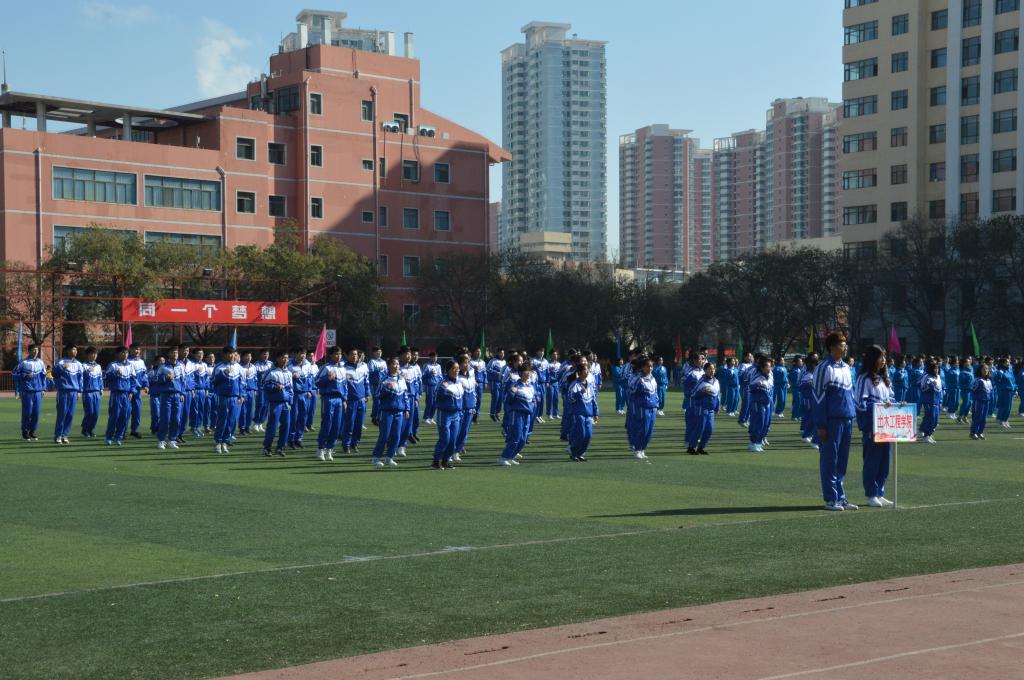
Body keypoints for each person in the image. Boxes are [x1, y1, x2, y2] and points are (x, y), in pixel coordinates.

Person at [812, 332, 858, 511]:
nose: (845, 347)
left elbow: (850, 394)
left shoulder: (847, 368)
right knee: (830, 460)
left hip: (847, 419)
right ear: (832, 347)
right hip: (831, 421)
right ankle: (831, 499)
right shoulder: (824, 368)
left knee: (842, 461)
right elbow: (818, 398)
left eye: (845, 344)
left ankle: (841, 497)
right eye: (841, 344)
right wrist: (821, 425)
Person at [855, 345, 896, 508]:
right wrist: (880, 405)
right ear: (872, 359)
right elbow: (860, 403)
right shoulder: (864, 379)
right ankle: (871, 494)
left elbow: (891, 398)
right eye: (880, 357)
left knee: (884, 461)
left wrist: (897, 404)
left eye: (884, 357)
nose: (883, 360)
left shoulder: (885, 379)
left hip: (886, 425)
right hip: (872, 426)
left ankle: (880, 492)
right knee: (872, 461)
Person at [370, 357, 410, 466]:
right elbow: (377, 394)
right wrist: (387, 389)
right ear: (389, 366)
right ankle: (376, 458)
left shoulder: (401, 379)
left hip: (399, 411)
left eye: (398, 364)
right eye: (394, 364)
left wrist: (407, 409)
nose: (396, 366)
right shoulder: (384, 379)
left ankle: (389, 457)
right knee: (384, 435)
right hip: (387, 411)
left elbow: (405, 395)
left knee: (396, 436)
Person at [315, 346, 348, 462]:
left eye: (340, 354)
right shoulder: (326, 367)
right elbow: (316, 381)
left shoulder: (343, 368)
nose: (338, 356)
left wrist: (344, 400)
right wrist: (327, 378)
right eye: (336, 354)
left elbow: (345, 386)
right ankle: (320, 449)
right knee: (327, 424)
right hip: (328, 398)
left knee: (336, 425)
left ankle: (330, 449)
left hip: (339, 399)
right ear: (331, 355)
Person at [499, 363, 535, 466]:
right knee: (516, 437)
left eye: (529, 371)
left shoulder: (530, 386)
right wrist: (512, 392)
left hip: (527, 414)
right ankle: (504, 457)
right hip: (517, 414)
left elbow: (532, 400)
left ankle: (511, 456)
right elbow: (507, 400)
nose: (528, 373)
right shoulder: (515, 386)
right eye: (526, 371)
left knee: (523, 439)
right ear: (520, 374)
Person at [432, 360, 464, 470]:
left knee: (453, 440)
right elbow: (436, 396)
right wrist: (443, 402)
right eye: (454, 368)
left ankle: (445, 461)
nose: (457, 370)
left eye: (458, 368)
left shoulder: (459, 382)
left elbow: (461, 397)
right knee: (445, 438)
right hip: (445, 414)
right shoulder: (443, 383)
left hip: (456, 414)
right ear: (448, 370)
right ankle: (436, 461)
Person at [565, 357, 599, 462]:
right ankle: (574, 452)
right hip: (578, 414)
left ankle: (580, 453)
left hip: (588, 414)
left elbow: (593, 399)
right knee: (581, 434)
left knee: (588, 435)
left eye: (587, 370)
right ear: (579, 372)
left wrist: (595, 412)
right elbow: (570, 398)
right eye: (585, 370)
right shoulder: (574, 385)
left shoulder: (589, 385)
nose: (587, 372)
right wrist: (579, 393)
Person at [260, 350, 293, 457]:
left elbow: (290, 389)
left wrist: (290, 402)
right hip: (274, 403)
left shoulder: (288, 373)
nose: (285, 360)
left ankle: (280, 447)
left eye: (287, 358)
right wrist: (275, 387)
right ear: (278, 359)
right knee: (272, 426)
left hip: (285, 404)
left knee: (286, 426)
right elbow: (263, 385)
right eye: (283, 357)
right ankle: (267, 448)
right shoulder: (271, 372)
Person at [212, 347, 244, 454]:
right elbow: (213, 381)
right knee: (222, 419)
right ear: (225, 354)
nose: (232, 356)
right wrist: (223, 374)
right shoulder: (218, 367)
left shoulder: (239, 367)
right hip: (222, 397)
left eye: (233, 354)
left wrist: (242, 395)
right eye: (230, 353)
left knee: (232, 420)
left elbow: (242, 383)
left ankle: (225, 442)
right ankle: (218, 442)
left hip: (234, 397)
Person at [13, 343, 47, 441]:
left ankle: (32, 431)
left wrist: (43, 388)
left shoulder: (41, 362)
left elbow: (43, 376)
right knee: (27, 412)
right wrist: (25, 376)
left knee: (36, 413)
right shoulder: (24, 362)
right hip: (27, 391)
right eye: (33, 349)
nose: (36, 351)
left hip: (38, 391)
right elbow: (14, 373)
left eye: (37, 349)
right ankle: (25, 431)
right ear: (29, 351)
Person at [104, 346, 137, 446]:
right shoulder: (113, 365)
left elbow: (133, 380)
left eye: (126, 352)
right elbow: (106, 378)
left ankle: (119, 437)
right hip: (116, 393)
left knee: (125, 416)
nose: (125, 354)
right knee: (114, 416)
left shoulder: (130, 365)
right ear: (118, 354)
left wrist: (132, 392)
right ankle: (109, 437)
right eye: (123, 352)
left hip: (126, 394)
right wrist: (115, 374)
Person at [51, 344, 83, 444]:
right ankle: (58, 435)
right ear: (68, 351)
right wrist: (62, 368)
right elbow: (53, 373)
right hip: (63, 391)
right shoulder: (61, 362)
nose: (75, 351)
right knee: (62, 414)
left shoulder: (79, 364)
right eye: (73, 349)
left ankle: (65, 435)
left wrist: (79, 391)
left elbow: (80, 379)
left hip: (74, 392)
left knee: (70, 414)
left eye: (76, 350)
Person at [627, 357, 658, 461]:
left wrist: (656, 404)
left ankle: (643, 449)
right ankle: (637, 449)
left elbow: (655, 392)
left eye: (651, 366)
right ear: (642, 367)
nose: (650, 368)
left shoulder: (653, 378)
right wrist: (638, 403)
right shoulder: (639, 379)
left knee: (650, 431)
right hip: (642, 408)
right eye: (647, 366)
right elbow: (631, 392)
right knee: (643, 429)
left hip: (652, 407)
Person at [341, 347, 370, 454]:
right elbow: (342, 385)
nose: (354, 356)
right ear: (347, 356)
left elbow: (366, 381)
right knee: (349, 424)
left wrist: (367, 394)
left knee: (359, 424)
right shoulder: (343, 368)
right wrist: (344, 399)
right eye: (352, 354)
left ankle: (355, 444)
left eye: (356, 354)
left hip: (361, 400)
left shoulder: (363, 367)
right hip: (350, 400)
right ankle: (346, 444)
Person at [156, 347, 185, 450]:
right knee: (165, 419)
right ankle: (161, 440)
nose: (175, 354)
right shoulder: (163, 367)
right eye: (173, 352)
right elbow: (156, 379)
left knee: (176, 419)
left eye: (176, 352)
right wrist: (165, 378)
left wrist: (182, 393)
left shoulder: (181, 366)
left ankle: (172, 440)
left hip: (177, 395)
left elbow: (183, 381)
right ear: (168, 354)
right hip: (166, 394)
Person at [689, 362, 720, 455]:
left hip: (711, 409)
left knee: (709, 430)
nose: (712, 370)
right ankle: (691, 447)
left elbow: (717, 395)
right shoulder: (702, 381)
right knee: (700, 428)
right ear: (705, 370)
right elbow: (693, 394)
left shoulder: (716, 381)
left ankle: (701, 447)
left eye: (713, 369)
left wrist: (717, 407)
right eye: (709, 369)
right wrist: (702, 391)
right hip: (701, 408)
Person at [454, 353, 478, 461]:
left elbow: (473, 392)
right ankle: (450, 451)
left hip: (469, 409)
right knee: (456, 431)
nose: (467, 365)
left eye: (468, 362)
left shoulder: (471, 377)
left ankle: (457, 451)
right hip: (459, 409)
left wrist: (473, 406)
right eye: (464, 363)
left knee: (464, 432)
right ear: (459, 365)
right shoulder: (457, 378)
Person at [747, 356, 774, 453]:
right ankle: (753, 443)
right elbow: (750, 387)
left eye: (770, 366)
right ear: (762, 368)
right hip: (758, 403)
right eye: (767, 367)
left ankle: (758, 443)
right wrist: (757, 384)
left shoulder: (769, 377)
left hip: (767, 404)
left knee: (765, 424)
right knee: (759, 423)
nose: (769, 368)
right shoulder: (758, 377)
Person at [80, 347, 104, 439]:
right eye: (92, 353)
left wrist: (101, 388)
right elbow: (80, 378)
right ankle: (85, 429)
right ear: (88, 355)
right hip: (87, 392)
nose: (94, 355)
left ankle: (90, 429)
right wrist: (87, 372)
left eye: (96, 354)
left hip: (96, 392)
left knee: (96, 413)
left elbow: (100, 378)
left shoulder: (98, 366)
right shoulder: (83, 366)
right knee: (89, 412)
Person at [126, 344, 149, 439]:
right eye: (135, 349)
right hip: (127, 390)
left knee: (137, 411)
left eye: (138, 349)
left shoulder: (141, 362)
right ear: (130, 350)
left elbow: (144, 375)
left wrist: (146, 385)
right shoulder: (126, 361)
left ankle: (134, 430)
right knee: (126, 411)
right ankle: (122, 430)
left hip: (137, 390)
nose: (137, 351)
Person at [918, 360, 943, 444]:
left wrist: (940, 400)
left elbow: (940, 389)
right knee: (930, 418)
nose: (936, 370)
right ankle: (926, 435)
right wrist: (931, 385)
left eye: (937, 368)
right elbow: (923, 387)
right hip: (929, 401)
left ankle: (929, 434)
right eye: (935, 368)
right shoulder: (927, 377)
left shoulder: (938, 377)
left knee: (936, 419)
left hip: (937, 401)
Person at [799, 354, 820, 449]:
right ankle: (807, 435)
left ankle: (808, 435)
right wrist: (808, 384)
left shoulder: (815, 374)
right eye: (815, 365)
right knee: (811, 418)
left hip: (815, 399)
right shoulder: (808, 375)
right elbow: (800, 387)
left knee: (813, 418)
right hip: (809, 400)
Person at [970, 364, 993, 440]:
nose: (986, 370)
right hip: (979, 401)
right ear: (980, 370)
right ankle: (973, 432)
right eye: (984, 369)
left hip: (986, 401)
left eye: (987, 369)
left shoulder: (989, 380)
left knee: (984, 418)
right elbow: (973, 390)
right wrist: (976, 398)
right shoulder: (978, 380)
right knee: (977, 417)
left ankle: (980, 432)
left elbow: (990, 391)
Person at [252, 349, 273, 433]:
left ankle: (261, 423)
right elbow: (254, 378)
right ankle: (256, 423)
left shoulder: (271, 364)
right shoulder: (256, 365)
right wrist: (255, 388)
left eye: (267, 354)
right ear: (260, 355)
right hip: (260, 388)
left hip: (268, 388)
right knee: (259, 405)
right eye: (264, 354)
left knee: (266, 406)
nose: (266, 356)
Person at [367, 346, 388, 426]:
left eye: (380, 352)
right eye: (377, 352)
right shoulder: (372, 361)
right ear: (374, 353)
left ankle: (379, 417)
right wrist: (378, 369)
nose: (379, 353)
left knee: (382, 401)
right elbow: (370, 372)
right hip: (375, 384)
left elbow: (386, 372)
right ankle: (374, 417)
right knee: (377, 401)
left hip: (383, 384)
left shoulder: (383, 362)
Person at [993, 357, 1016, 429]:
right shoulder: (1000, 371)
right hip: (1004, 391)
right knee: (1004, 407)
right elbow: (996, 380)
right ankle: (1001, 420)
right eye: (1007, 362)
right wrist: (1000, 374)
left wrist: (1015, 389)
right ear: (1002, 363)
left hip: (1010, 390)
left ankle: (1005, 420)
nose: (1008, 363)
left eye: (1009, 362)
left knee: (1009, 407)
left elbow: (1013, 380)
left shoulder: (1010, 370)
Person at [191, 349, 209, 437]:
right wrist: (192, 389)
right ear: (194, 355)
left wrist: (206, 389)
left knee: (202, 409)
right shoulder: (192, 365)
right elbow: (191, 378)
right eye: (198, 353)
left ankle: (198, 427)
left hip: (202, 390)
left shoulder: (205, 365)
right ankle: (193, 427)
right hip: (195, 390)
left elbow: (206, 378)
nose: (200, 355)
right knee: (195, 409)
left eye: (202, 353)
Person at [238, 351, 257, 435]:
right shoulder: (239, 367)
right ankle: (242, 428)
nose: (248, 358)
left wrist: (255, 390)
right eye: (246, 356)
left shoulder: (253, 367)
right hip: (243, 391)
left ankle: (247, 427)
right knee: (243, 411)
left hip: (251, 391)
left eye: (250, 356)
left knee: (251, 410)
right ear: (242, 357)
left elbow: (255, 379)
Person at [421, 351, 442, 424]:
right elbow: (422, 376)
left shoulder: (438, 366)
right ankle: (425, 418)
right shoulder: (426, 365)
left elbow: (440, 376)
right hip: (429, 386)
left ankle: (431, 417)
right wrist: (429, 374)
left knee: (436, 403)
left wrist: (439, 383)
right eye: (433, 357)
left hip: (436, 386)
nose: (434, 358)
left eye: (435, 357)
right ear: (430, 358)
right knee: (429, 402)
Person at [487, 348, 507, 421]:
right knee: (496, 397)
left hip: (501, 382)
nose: (502, 354)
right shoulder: (493, 361)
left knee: (501, 398)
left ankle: (497, 413)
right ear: (497, 353)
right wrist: (496, 372)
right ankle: (492, 413)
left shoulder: (504, 361)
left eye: (503, 353)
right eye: (500, 353)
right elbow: (488, 369)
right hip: (494, 381)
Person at [737, 351, 755, 426]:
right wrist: (743, 382)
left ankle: (747, 419)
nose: (750, 357)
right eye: (748, 356)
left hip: (751, 387)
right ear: (745, 357)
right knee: (746, 403)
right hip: (745, 387)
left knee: (750, 404)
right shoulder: (743, 365)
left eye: (751, 356)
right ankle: (742, 420)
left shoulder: (752, 365)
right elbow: (740, 375)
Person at [469, 347, 487, 424]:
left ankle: (476, 417)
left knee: (479, 400)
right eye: (477, 351)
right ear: (473, 352)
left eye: (479, 351)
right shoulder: (470, 362)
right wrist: (473, 368)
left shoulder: (483, 362)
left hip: (480, 383)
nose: (479, 353)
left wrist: (485, 382)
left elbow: (485, 373)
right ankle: (470, 415)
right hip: (472, 383)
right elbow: (467, 372)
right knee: (473, 399)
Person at [203, 352, 218, 435]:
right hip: (208, 391)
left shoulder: (217, 367)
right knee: (207, 409)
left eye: (213, 357)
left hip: (216, 391)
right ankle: (206, 426)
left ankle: (214, 425)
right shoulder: (204, 366)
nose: (212, 358)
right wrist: (206, 389)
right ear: (206, 359)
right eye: (209, 357)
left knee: (215, 409)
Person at [957, 358, 975, 424]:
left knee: (970, 403)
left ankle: (965, 417)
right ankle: (959, 417)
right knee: (965, 402)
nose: (969, 362)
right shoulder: (962, 372)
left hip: (971, 390)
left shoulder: (970, 370)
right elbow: (961, 382)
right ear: (964, 363)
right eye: (967, 362)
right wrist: (968, 386)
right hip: (965, 390)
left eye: (969, 361)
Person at [546, 350, 563, 420]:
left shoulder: (559, 364)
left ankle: (555, 414)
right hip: (550, 383)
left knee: (556, 398)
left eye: (556, 354)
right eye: (553, 354)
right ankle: (549, 413)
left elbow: (560, 374)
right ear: (550, 355)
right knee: (550, 398)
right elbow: (547, 373)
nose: (555, 356)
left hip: (556, 383)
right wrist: (547, 382)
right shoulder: (547, 363)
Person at [789, 356, 804, 421]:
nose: (801, 363)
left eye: (801, 361)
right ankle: (794, 416)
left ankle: (799, 415)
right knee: (797, 402)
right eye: (800, 361)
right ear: (796, 363)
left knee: (800, 402)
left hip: (800, 388)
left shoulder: (800, 369)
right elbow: (794, 380)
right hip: (796, 388)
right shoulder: (794, 370)